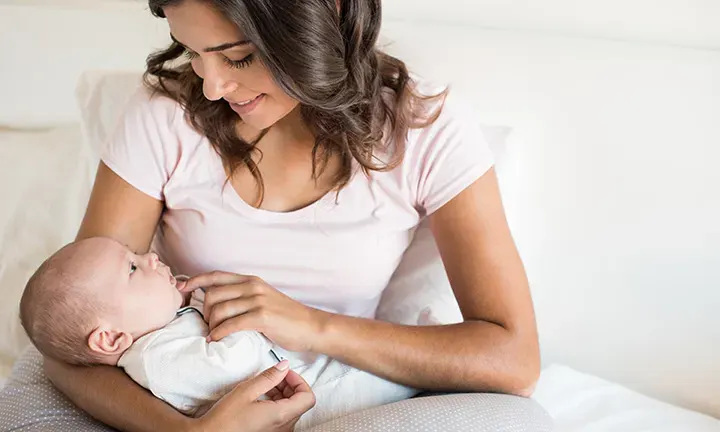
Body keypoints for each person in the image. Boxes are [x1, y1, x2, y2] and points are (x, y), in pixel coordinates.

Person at [42, 0, 541, 430]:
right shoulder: (166, 115)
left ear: (324, 17)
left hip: (345, 392)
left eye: (238, 58)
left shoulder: (426, 131)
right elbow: (72, 341)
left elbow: (514, 360)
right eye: (193, 53)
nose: (212, 87)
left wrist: (309, 325)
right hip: (184, 398)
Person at [21, 237, 415, 430]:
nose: (152, 257)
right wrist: (216, 313)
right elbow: (233, 363)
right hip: (318, 397)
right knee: (390, 382)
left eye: (136, 254)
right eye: (133, 269)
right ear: (110, 339)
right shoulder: (157, 360)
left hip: (310, 374)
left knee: (396, 368)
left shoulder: (163, 333)